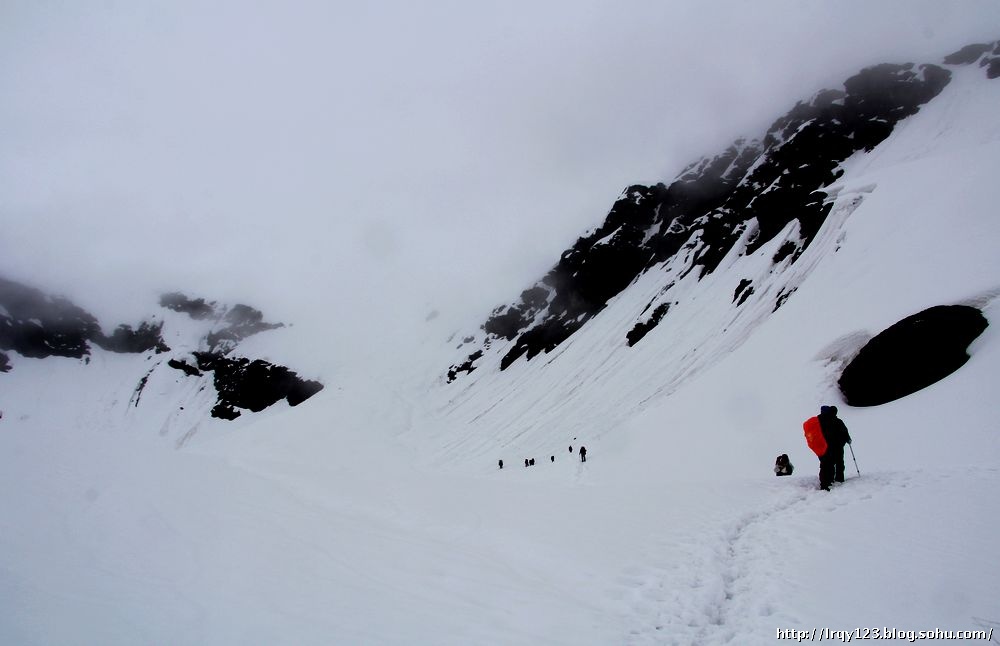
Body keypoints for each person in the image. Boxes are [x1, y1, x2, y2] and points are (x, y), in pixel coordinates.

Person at [818, 405, 851, 490]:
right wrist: (848, 439)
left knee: (827, 464)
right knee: (839, 462)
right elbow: (845, 432)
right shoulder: (837, 421)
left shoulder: (821, 421)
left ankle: (828, 480)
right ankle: (839, 478)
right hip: (838, 446)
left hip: (825, 447)